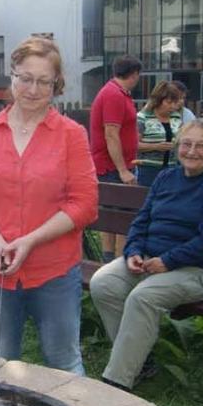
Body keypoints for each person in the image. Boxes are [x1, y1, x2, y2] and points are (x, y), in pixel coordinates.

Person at [0, 36, 98, 374]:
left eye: (43, 81)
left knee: (63, 361)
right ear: (12, 76)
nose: (33, 89)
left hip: (54, 270)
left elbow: (86, 204)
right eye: (25, 78)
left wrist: (29, 240)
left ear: (56, 85)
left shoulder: (71, 135)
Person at [90, 120, 203, 391]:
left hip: (202, 269)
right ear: (177, 146)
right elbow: (141, 221)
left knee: (144, 296)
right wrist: (133, 251)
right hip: (152, 260)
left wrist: (168, 261)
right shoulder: (166, 178)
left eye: (201, 146)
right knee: (103, 283)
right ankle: (141, 362)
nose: (192, 151)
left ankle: (116, 382)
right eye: (186, 143)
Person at [90, 55, 141, 262]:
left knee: (114, 216)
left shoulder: (119, 93)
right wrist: (122, 170)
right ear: (134, 74)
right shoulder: (114, 95)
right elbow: (111, 133)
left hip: (115, 165)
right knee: (121, 218)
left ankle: (111, 261)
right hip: (112, 168)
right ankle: (116, 262)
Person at [135, 81, 184, 187]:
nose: (172, 106)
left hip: (172, 168)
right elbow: (134, 145)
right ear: (158, 100)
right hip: (149, 169)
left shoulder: (176, 117)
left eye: (174, 103)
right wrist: (156, 146)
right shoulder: (142, 118)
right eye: (168, 102)